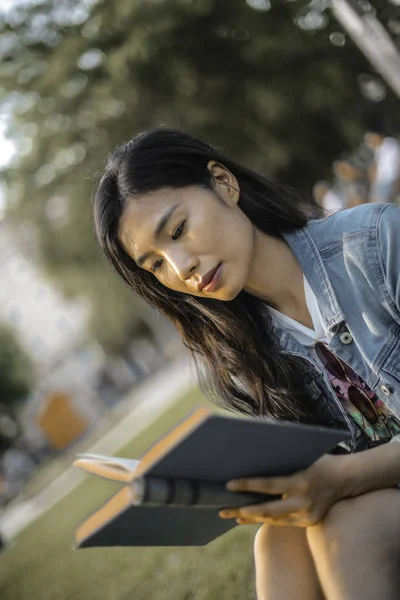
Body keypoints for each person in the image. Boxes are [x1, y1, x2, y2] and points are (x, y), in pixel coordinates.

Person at [92, 128, 400, 600]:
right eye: (154, 265)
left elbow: (347, 479)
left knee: (351, 527)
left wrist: (341, 478)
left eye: (177, 231)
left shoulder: (374, 244)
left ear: (223, 184)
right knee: (277, 539)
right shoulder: (248, 354)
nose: (180, 269)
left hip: (372, 509)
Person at [364, 130, 400, 205]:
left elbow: (395, 164)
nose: (371, 143)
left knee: (379, 203)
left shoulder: (390, 144)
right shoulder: (379, 149)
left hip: (390, 180)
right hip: (382, 181)